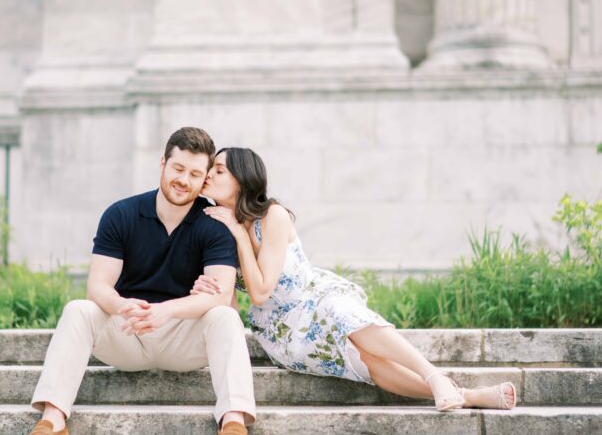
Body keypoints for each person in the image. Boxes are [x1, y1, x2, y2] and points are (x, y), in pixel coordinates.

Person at [192, 147, 517, 412]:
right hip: (283, 333)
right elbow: (252, 298)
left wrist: (238, 232)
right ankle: (469, 395)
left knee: (339, 311)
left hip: (314, 300)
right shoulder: (219, 227)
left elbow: (262, 287)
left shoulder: (271, 216)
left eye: (219, 170)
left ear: (242, 178)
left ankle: (435, 377)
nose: (209, 175)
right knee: (366, 362)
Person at [16, 128, 256, 435]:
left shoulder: (214, 224)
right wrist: (122, 305)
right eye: (178, 168)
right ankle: (52, 422)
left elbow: (220, 293)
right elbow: (97, 286)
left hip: (182, 338)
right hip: (127, 332)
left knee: (225, 317)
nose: (184, 180)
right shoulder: (121, 214)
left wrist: (166, 310)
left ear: (203, 181)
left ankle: (233, 422)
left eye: (195, 174)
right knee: (78, 309)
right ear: (163, 163)